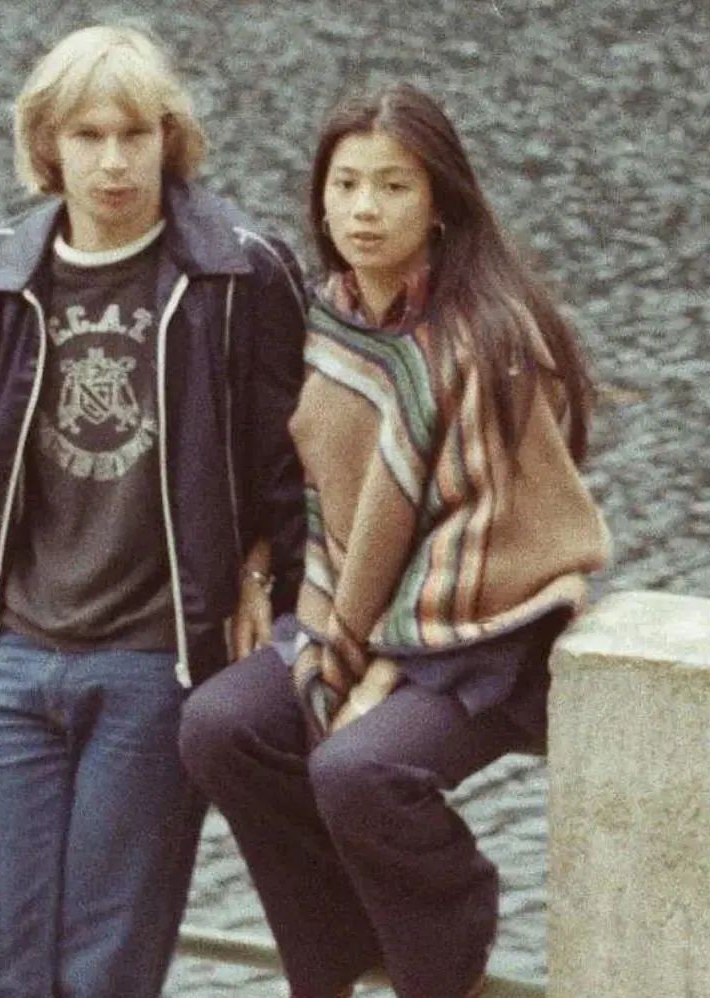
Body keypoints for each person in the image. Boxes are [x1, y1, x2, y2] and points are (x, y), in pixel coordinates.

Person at [179, 83, 611, 998]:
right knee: (219, 727)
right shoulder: (330, 316)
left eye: (393, 186)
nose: (364, 210)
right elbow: (311, 488)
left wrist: (382, 667)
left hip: (486, 629)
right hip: (358, 609)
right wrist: (270, 578)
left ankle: (442, 944)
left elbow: (491, 528)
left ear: (440, 202)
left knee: (360, 769)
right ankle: (331, 950)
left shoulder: (486, 335)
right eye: (345, 185)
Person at [0, 25, 305, 998]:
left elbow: (294, 462)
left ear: (170, 137)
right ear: (46, 144)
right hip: (20, 657)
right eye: (87, 136)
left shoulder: (238, 273)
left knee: (105, 971)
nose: (114, 161)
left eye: (135, 133)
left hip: (154, 661)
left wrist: (264, 576)